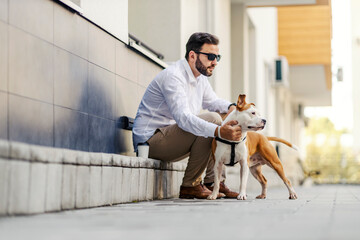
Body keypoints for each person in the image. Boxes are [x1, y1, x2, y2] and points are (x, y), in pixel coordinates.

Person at [132, 32, 242, 199]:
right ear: (192, 55)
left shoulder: (200, 78)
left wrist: (232, 107)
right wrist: (219, 131)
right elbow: (183, 119)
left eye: (218, 57)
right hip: (150, 142)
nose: (215, 62)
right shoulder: (173, 76)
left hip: (171, 138)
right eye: (211, 56)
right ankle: (191, 185)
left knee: (220, 118)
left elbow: (213, 101)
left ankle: (214, 183)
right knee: (213, 121)